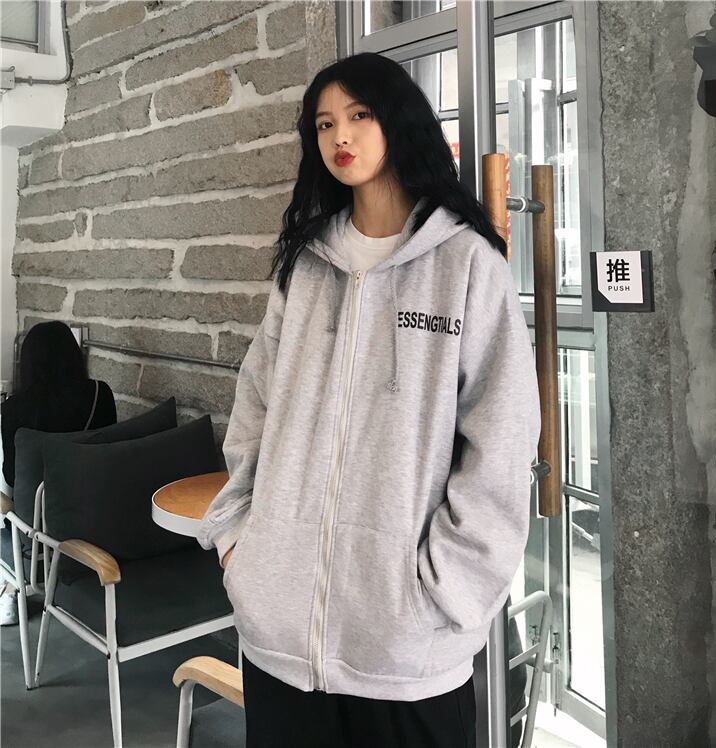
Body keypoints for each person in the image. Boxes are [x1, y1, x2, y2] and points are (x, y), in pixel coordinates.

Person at [198, 51, 541, 748]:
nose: (340, 136)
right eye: (324, 124)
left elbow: (502, 441)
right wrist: (240, 543)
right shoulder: (305, 265)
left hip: (407, 656)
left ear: (398, 120)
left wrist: (445, 591)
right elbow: (254, 404)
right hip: (280, 643)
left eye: (359, 115)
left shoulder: (467, 265)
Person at [0, 320, 116, 625]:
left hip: (39, 533)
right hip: (95, 517)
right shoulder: (100, 394)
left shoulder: (14, 409)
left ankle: (11, 589)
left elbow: (11, 477)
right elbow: (109, 452)